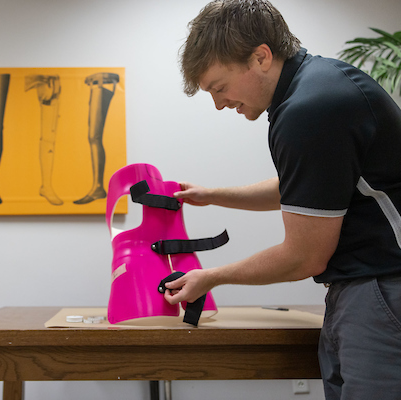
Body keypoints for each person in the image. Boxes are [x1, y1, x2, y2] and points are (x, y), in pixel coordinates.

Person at [163, 1, 401, 399]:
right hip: (365, 289)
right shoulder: (320, 84)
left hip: (380, 289)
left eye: (219, 88)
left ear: (261, 56)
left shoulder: (309, 110)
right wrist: (212, 195)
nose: (219, 103)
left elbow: (304, 257)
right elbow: (312, 187)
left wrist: (211, 277)